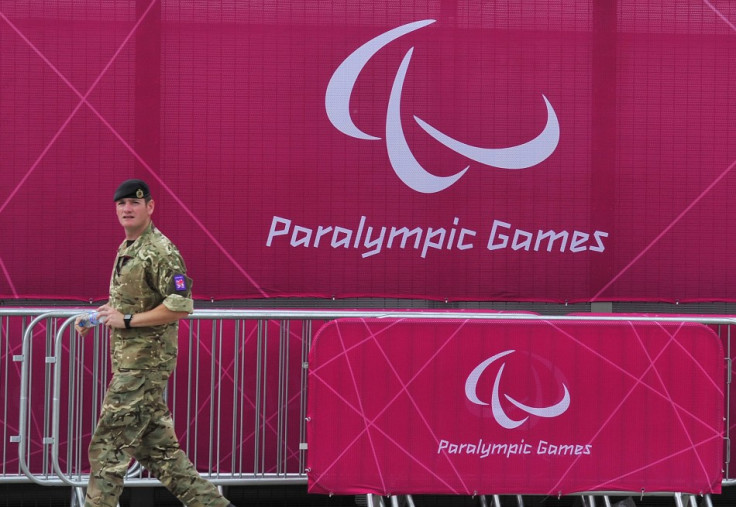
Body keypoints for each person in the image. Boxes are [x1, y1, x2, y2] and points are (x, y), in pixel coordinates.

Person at [76, 179, 235, 507]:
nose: (127, 209)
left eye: (135, 203)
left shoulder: (160, 250)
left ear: (150, 207)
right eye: (121, 204)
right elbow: (130, 304)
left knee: (108, 449)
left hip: (143, 368)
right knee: (163, 457)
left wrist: (129, 321)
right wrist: (98, 317)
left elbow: (180, 304)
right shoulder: (129, 248)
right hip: (132, 366)